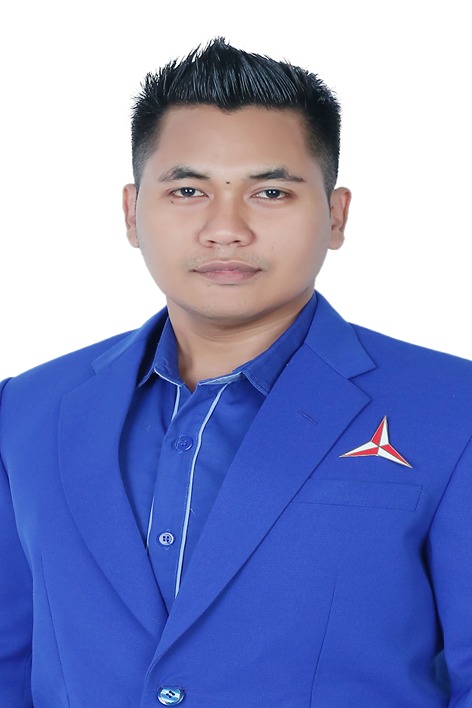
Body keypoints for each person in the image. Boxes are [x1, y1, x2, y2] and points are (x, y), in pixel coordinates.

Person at [1, 37, 471, 708]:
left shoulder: (453, 411)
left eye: (271, 191)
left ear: (335, 215)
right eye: (188, 190)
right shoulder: (28, 408)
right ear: (132, 212)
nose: (226, 229)